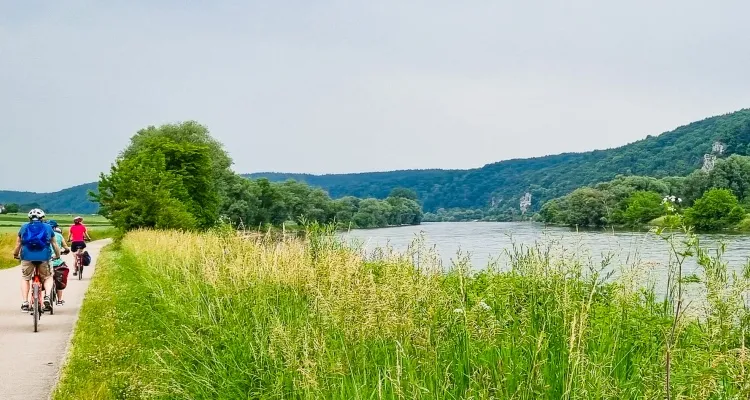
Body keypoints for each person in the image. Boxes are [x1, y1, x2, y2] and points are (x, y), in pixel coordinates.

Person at [12, 208, 61, 312]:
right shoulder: (48, 227)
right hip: (44, 257)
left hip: (27, 257)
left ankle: (25, 302)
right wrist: (57, 255)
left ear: (29, 218)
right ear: (42, 217)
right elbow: (55, 244)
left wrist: (15, 254)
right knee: (48, 277)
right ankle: (47, 296)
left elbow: (18, 244)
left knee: (25, 278)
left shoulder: (24, 227)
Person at [48, 220, 71, 306]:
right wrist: (65, 251)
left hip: (45, 261)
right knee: (59, 280)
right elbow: (66, 248)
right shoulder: (59, 235)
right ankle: (60, 300)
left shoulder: (42, 235)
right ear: (55, 227)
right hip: (57, 262)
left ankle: (42, 300)